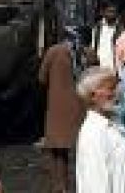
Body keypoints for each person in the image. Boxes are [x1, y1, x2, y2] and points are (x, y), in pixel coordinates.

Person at [76, 67, 125, 193]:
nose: (117, 93)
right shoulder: (94, 133)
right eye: (111, 88)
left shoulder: (112, 126)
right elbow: (95, 184)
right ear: (92, 95)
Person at [38, 41, 85, 193]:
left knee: (56, 149)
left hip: (57, 105)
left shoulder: (53, 51)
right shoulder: (81, 51)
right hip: (78, 104)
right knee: (72, 147)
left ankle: (60, 186)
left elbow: (42, 78)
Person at [91, 3, 119, 70]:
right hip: (100, 67)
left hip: (115, 67)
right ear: (103, 13)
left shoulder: (120, 27)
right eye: (109, 11)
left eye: (114, 12)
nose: (112, 14)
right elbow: (94, 46)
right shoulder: (97, 28)